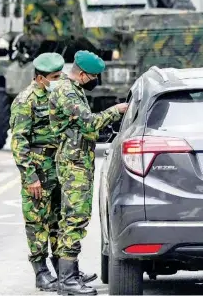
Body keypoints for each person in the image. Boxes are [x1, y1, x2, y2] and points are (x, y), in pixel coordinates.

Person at [10, 53, 98, 292]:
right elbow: (19, 142)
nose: (60, 80)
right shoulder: (25, 100)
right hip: (39, 167)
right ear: (40, 78)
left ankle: (64, 271)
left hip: (60, 164)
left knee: (60, 219)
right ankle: (41, 273)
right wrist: (30, 176)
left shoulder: (59, 94)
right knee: (37, 220)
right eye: (55, 77)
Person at [49, 50, 128, 295]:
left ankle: (70, 275)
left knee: (74, 218)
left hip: (77, 161)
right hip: (73, 165)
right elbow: (89, 123)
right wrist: (116, 110)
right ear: (81, 74)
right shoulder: (66, 91)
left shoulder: (73, 89)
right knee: (74, 218)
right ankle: (67, 281)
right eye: (92, 76)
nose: (95, 80)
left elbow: (82, 129)